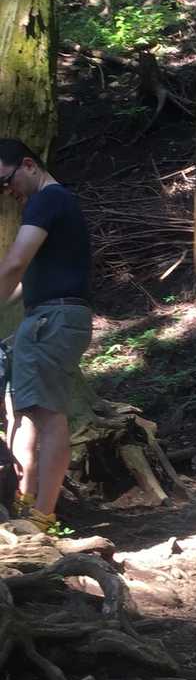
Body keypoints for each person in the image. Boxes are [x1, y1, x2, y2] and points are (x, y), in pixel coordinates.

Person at [0, 139, 92, 531]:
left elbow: (15, 264)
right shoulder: (56, 205)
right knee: (25, 411)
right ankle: (25, 503)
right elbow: (30, 280)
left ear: (28, 165)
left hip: (53, 320)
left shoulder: (47, 200)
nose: (7, 191)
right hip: (45, 316)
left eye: (6, 181)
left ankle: (43, 515)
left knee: (49, 414)